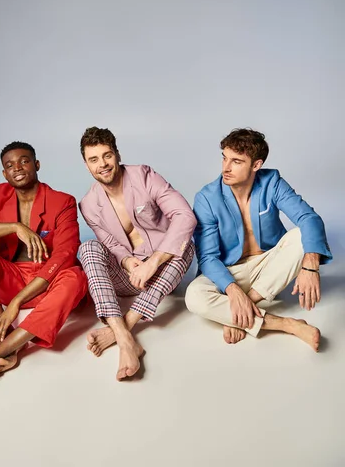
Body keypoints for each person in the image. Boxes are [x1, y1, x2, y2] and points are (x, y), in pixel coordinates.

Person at [0, 141, 87, 403]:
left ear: (36, 165)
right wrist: (14, 227)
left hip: (45, 284)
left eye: (24, 161)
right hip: (10, 276)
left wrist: (16, 302)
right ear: (4, 174)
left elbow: (65, 254)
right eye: (9, 165)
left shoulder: (62, 201)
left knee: (77, 277)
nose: (17, 168)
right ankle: (15, 339)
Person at [185, 128, 332, 350]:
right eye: (224, 158)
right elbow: (207, 257)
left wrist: (311, 265)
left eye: (236, 161)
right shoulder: (207, 198)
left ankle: (240, 310)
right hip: (231, 271)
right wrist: (233, 291)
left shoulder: (271, 182)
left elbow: (309, 218)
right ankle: (287, 324)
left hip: (269, 267)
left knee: (301, 234)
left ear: (256, 165)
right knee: (194, 296)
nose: (226, 167)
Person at [79, 127, 196, 380]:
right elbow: (109, 242)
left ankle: (123, 327)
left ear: (117, 154)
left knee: (186, 245)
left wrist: (152, 262)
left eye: (107, 155)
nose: (103, 164)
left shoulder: (144, 177)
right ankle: (125, 339)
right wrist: (128, 261)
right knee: (87, 247)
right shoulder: (88, 204)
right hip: (128, 279)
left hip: (162, 273)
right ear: (86, 164)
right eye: (94, 159)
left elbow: (185, 216)